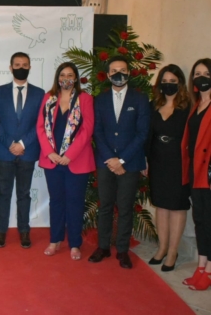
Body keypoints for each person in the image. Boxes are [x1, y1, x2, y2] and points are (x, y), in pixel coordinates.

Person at [88, 55, 150, 269]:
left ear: (129, 73)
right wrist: (110, 159)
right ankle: (103, 246)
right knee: (105, 206)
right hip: (106, 161)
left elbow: (142, 134)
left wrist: (121, 159)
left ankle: (122, 250)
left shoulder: (140, 99)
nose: (118, 74)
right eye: (114, 71)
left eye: (122, 70)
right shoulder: (100, 99)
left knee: (125, 208)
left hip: (129, 163)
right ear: (107, 74)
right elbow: (97, 131)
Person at [36, 62, 95, 260]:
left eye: (70, 74)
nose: (66, 78)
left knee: (75, 202)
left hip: (76, 161)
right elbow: (40, 128)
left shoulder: (85, 99)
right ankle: (55, 240)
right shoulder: (49, 98)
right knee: (56, 201)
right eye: (63, 74)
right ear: (57, 78)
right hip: (52, 161)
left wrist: (69, 154)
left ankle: (75, 244)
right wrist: (49, 152)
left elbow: (87, 129)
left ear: (76, 78)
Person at [0, 52, 44, 249]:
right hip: (4, 152)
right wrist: (10, 144)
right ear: (10, 67)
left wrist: (22, 144)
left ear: (30, 67)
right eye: (17, 64)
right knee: (4, 193)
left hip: (27, 151)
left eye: (25, 64)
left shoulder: (40, 94)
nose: (21, 67)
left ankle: (24, 231)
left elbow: (40, 124)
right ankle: (1, 231)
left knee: (24, 193)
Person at [145, 64, 190, 272]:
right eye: (165, 81)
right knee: (161, 205)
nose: (169, 85)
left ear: (180, 84)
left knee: (177, 206)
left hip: (179, 162)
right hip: (157, 161)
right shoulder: (153, 105)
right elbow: (147, 136)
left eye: (173, 82)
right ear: (159, 84)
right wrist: (145, 160)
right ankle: (162, 248)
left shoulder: (188, 106)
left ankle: (173, 251)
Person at [181, 58, 211, 290]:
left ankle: (209, 271)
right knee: (200, 220)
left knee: (209, 222)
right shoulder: (196, 105)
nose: (201, 78)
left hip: (209, 174)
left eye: (206, 74)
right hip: (195, 172)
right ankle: (200, 266)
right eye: (197, 74)